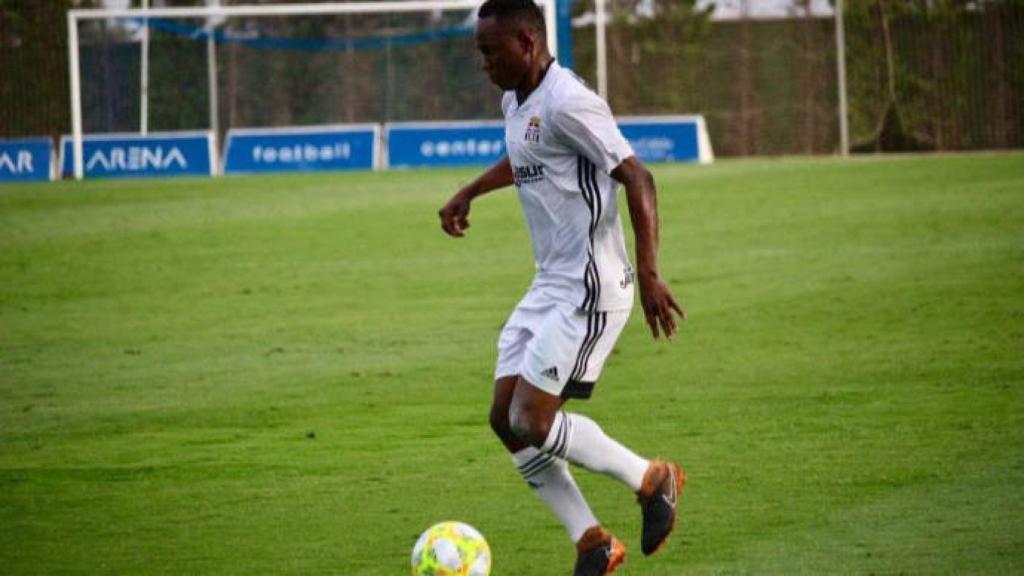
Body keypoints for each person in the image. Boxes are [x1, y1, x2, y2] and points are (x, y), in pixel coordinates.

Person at [438, 0, 687, 573]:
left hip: (591, 287)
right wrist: (470, 191)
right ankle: (592, 541)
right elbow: (527, 154)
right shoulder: (516, 100)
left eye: (490, 51)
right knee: (504, 420)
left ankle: (653, 479)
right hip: (550, 284)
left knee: (532, 420)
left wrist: (650, 271)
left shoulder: (569, 101)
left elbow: (638, 176)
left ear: (527, 42)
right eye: (479, 52)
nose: (483, 63)